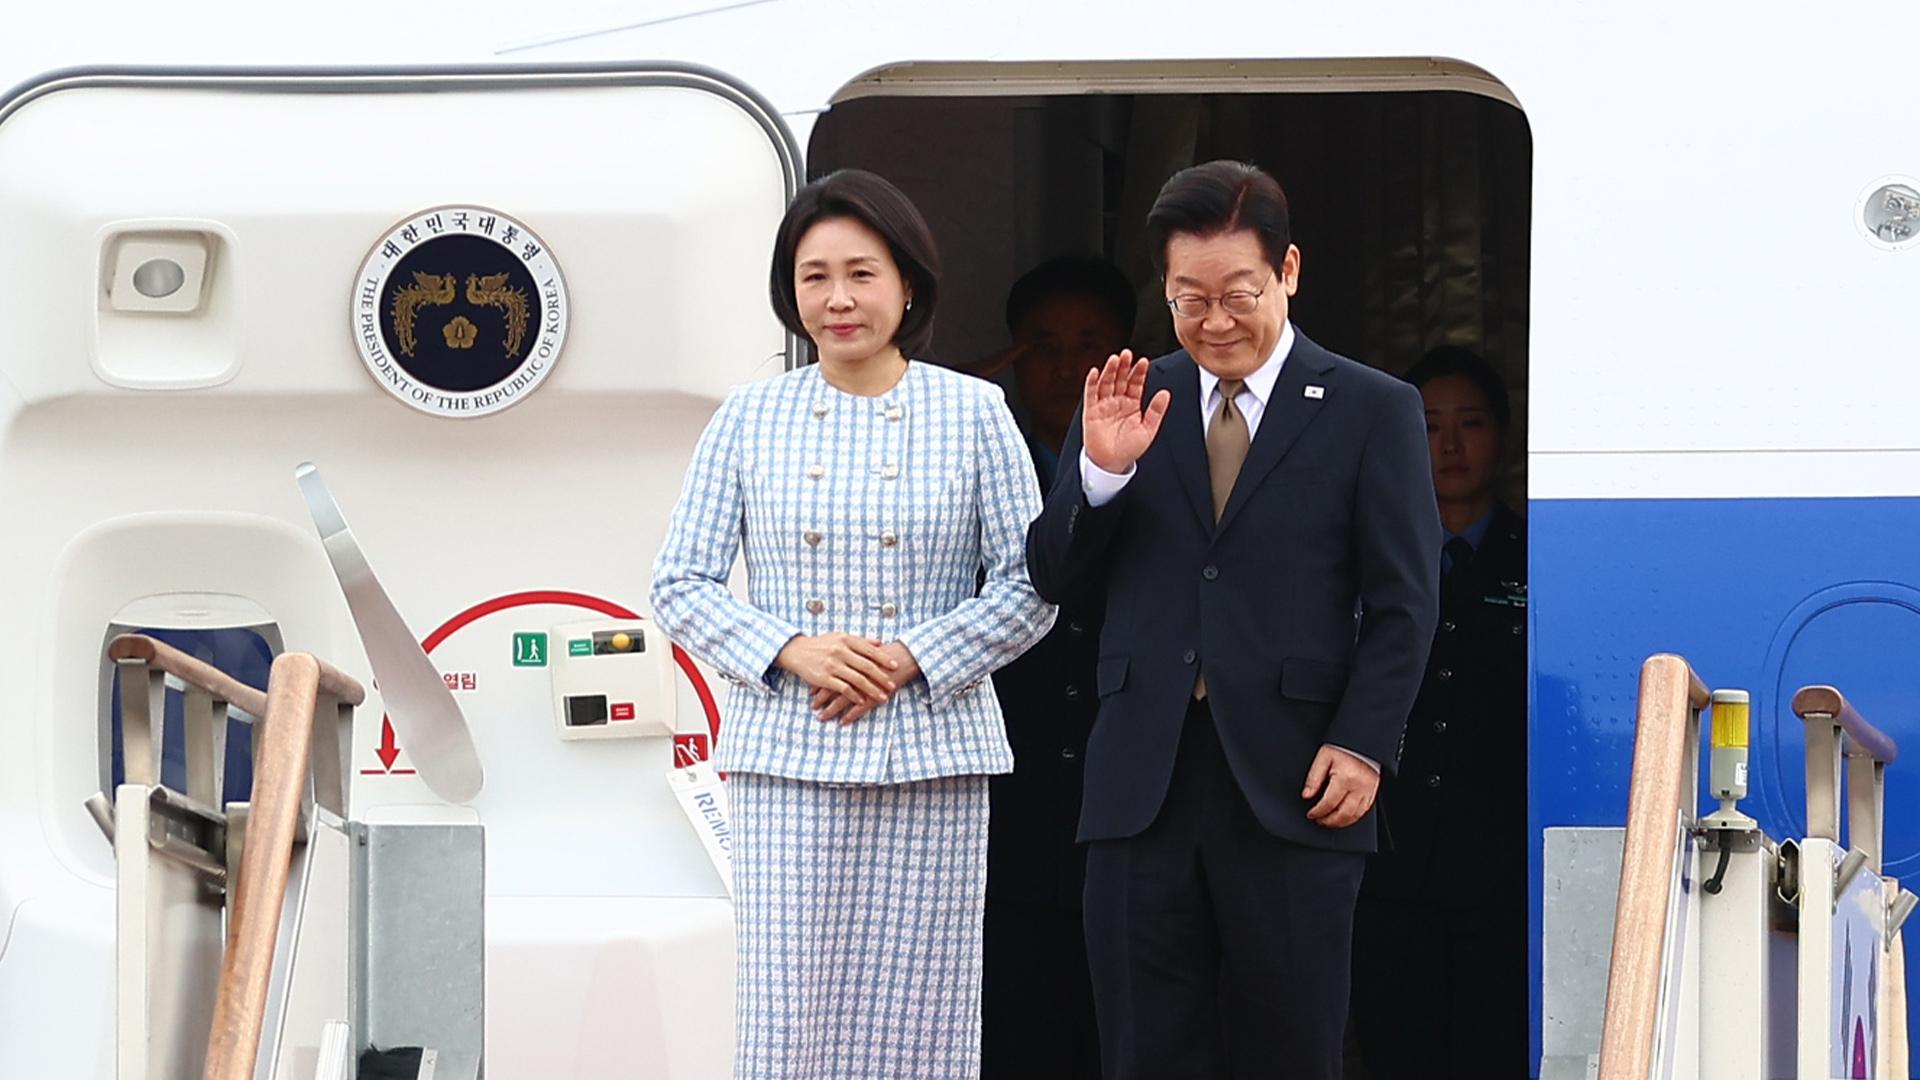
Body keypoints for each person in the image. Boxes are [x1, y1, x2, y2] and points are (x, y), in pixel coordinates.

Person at [1026, 159, 1441, 1080]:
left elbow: (1406, 600)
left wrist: (1366, 742)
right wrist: (1101, 473)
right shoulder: (1126, 397)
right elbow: (1055, 578)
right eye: (1188, 300)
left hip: (1301, 776)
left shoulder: (1373, 407)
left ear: (1288, 271)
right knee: (1142, 1046)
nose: (1214, 322)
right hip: (1144, 781)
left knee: (1291, 1043)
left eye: (1238, 294)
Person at [649, 168, 1055, 1079]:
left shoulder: (977, 411)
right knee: (787, 1017)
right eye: (814, 275)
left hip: (933, 757)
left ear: (909, 284)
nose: (838, 299)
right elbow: (678, 583)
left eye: (862, 274)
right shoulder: (750, 416)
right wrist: (793, 648)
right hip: (787, 755)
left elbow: (1034, 584)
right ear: (789, 292)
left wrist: (915, 656)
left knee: (925, 1014)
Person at [976, 256, 1137, 1080]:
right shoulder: (968, 461)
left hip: (1129, 811)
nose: (1066, 366)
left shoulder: (1161, 464)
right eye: (1041, 344)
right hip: (1004, 809)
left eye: (1089, 344)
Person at [1351, 345, 1528, 1079]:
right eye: (1426, 426)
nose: (1450, 446)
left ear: (1505, 436)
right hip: (1390, 863)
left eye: (1471, 423)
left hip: (1501, 867)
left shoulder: (1540, 555)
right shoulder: (1365, 553)